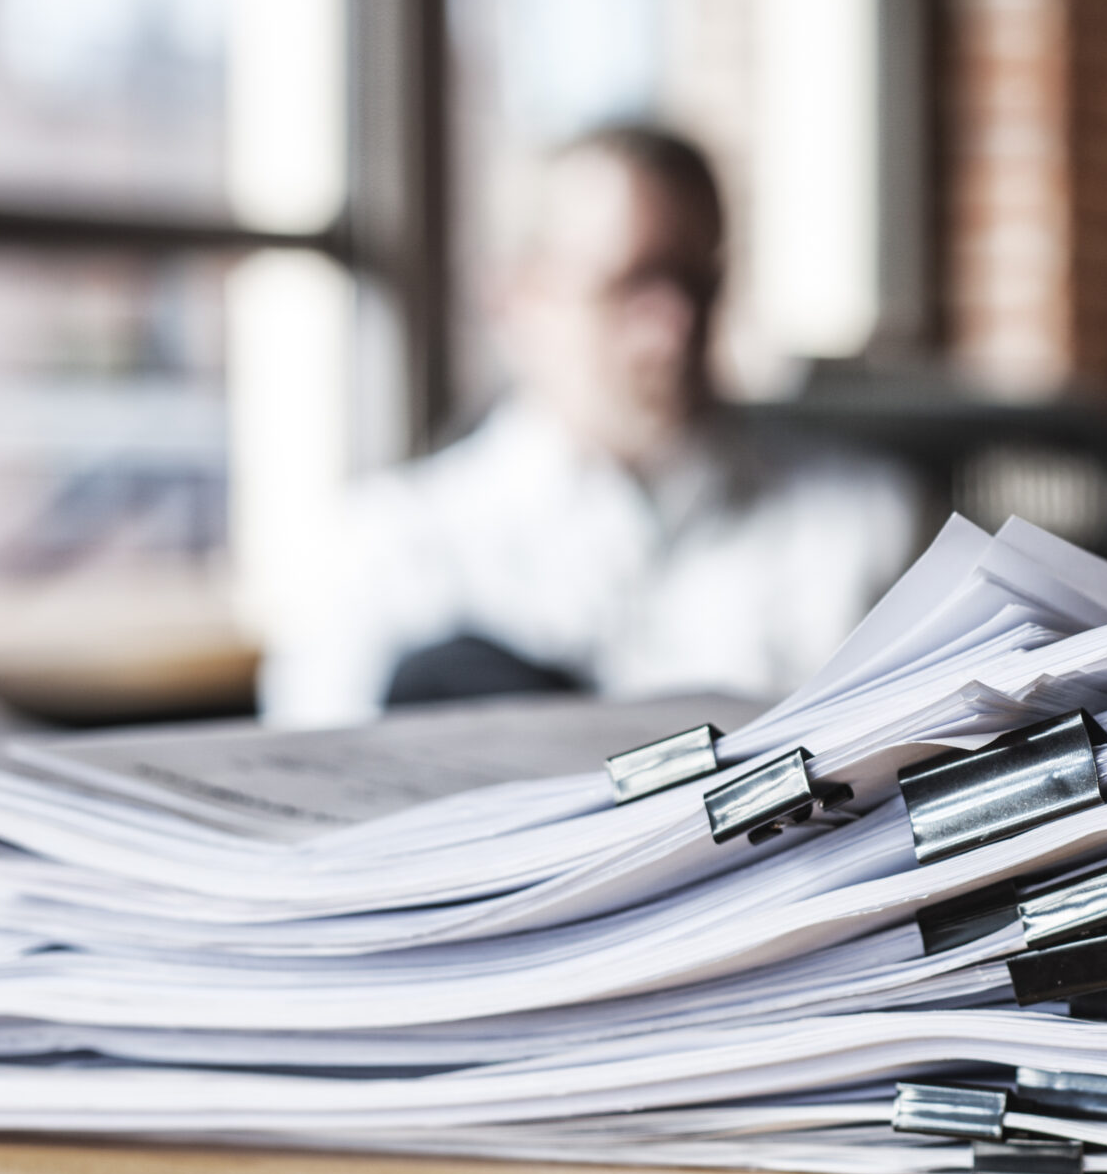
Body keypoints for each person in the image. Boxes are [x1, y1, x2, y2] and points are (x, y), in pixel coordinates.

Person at [262, 123, 921, 724]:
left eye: (698, 282)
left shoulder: (868, 526)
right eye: (632, 283)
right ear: (513, 301)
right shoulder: (388, 553)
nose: (677, 326)